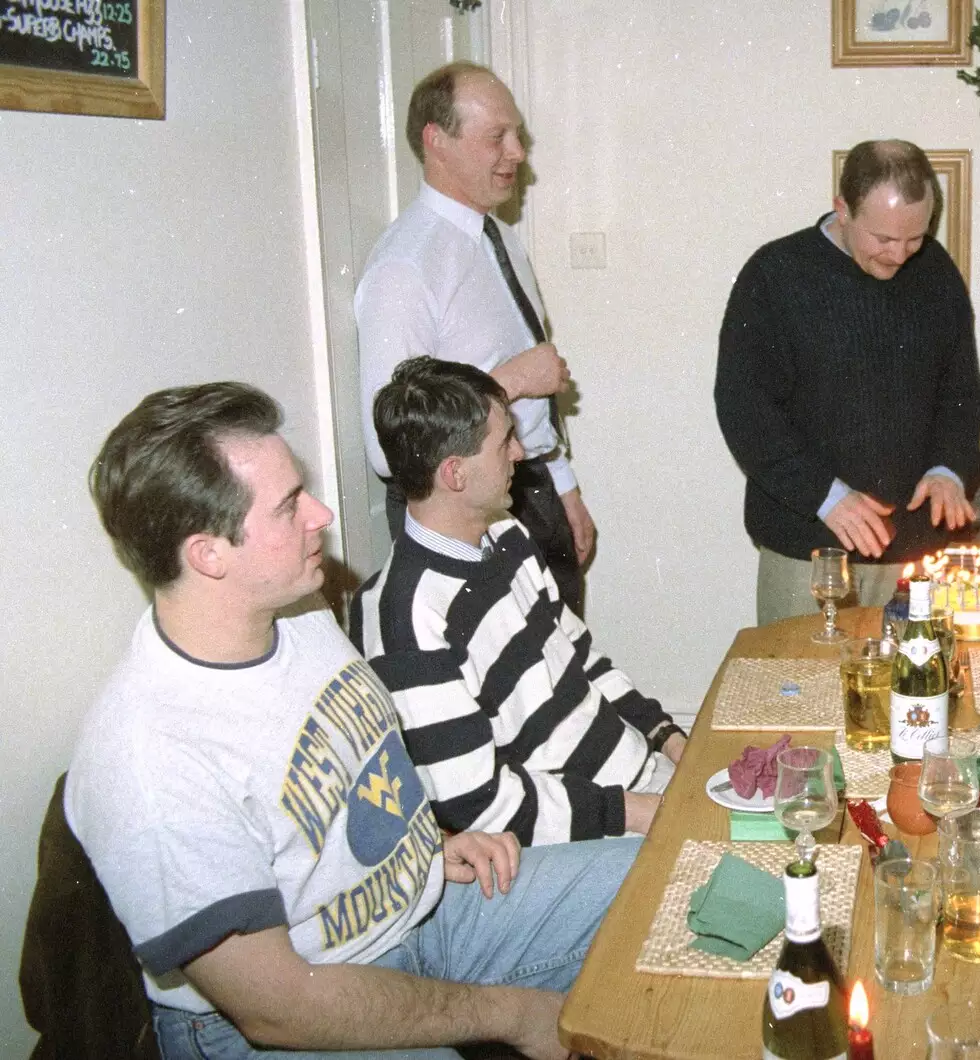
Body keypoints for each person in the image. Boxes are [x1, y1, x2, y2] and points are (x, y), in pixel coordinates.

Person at [68, 382, 639, 1060]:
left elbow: (342, 783)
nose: (322, 513)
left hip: (419, 914)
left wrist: (424, 846)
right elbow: (279, 1010)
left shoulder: (301, 615)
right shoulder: (150, 761)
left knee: (667, 880)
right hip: (295, 1015)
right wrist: (512, 1013)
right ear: (208, 554)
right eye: (287, 507)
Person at [352, 357, 686, 846]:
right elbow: (478, 805)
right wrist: (637, 813)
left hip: (641, 783)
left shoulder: (506, 536)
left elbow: (584, 661)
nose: (520, 452)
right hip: (591, 834)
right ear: (455, 474)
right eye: (505, 440)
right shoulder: (406, 617)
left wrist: (670, 739)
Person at [715, 139, 980, 624]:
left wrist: (949, 468)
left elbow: (961, 393)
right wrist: (825, 496)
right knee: (805, 695)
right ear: (843, 209)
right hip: (810, 551)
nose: (901, 255)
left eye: (915, 238)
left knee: (912, 693)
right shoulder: (776, 275)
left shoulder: (936, 272)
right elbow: (745, 409)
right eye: (884, 239)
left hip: (913, 549)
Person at [356, 60, 592, 614]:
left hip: (531, 489)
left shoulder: (502, 240)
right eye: (497, 137)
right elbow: (388, 441)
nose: (517, 153)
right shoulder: (404, 267)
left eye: (518, 135)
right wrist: (512, 380)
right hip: (464, 515)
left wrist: (564, 486)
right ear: (436, 142)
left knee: (562, 676)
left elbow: (534, 403)